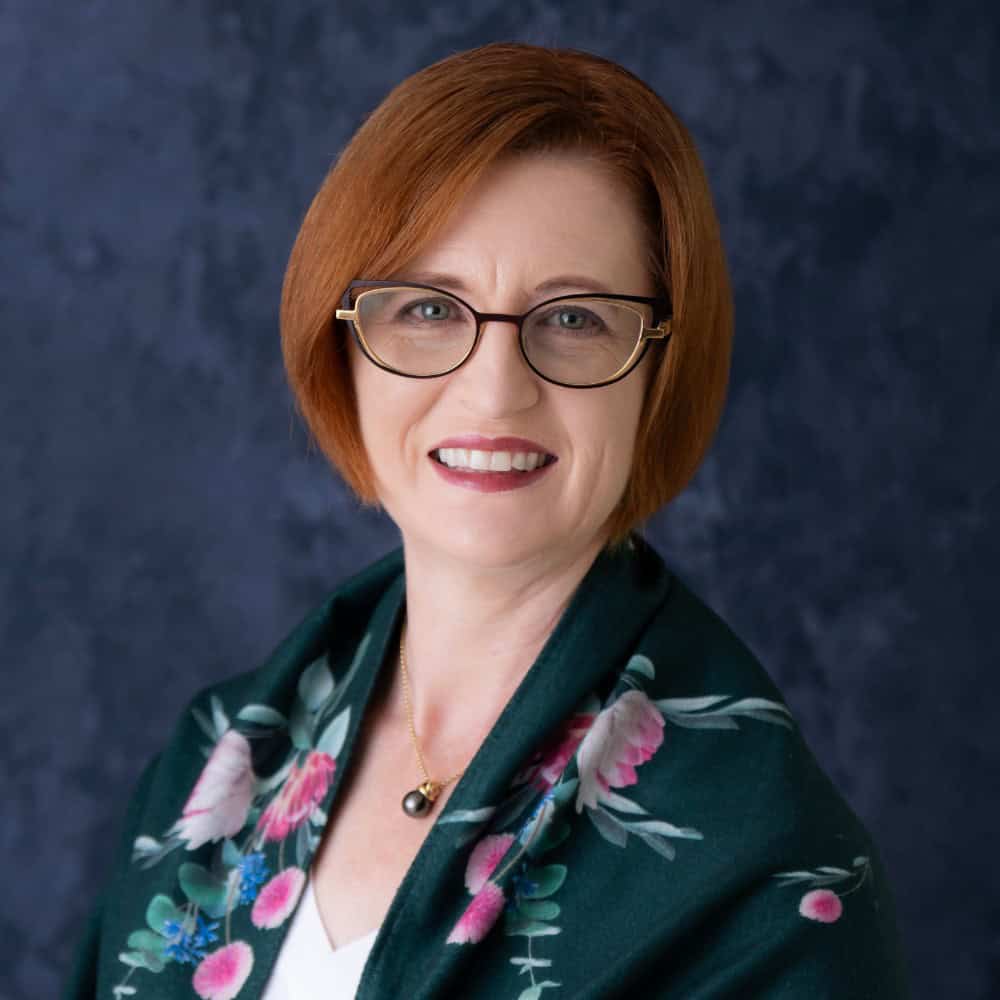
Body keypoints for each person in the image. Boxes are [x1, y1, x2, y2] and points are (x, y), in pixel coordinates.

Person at [64, 42, 910, 999]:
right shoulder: (214, 759)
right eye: (428, 308)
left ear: (658, 373)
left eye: (577, 318)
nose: (495, 392)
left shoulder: (768, 875)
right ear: (343, 347)